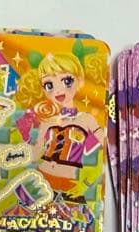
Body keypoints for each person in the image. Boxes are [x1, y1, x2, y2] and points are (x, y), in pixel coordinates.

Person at [14, 44, 107, 201]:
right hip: (40, 181)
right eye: (49, 85)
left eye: (66, 81)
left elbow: (104, 152)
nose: (57, 90)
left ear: (80, 81)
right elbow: (36, 154)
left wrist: (86, 183)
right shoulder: (47, 121)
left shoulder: (86, 119)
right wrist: (25, 138)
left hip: (69, 185)